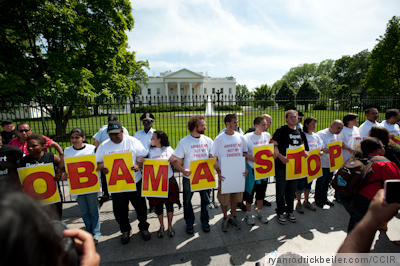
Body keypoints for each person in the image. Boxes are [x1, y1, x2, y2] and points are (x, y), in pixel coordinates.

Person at [0, 190, 100, 266]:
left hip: (89, 188)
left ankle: (95, 232)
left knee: (92, 210)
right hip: (78, 189)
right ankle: (89, 228)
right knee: (85, 211)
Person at [95, 120, 150, 244]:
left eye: (116, 133)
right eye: (111, 134)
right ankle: (125, 230)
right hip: (116, 184)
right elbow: (98, 162)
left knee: (140, 207)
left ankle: (144, 228)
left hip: (134, 181)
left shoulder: (132, 141)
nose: (113, 136)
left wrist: (139, 165)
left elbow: (143, 156)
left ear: (122, 131)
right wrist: (102, 167)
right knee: (120, 210)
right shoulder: (104, 146)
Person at [339, 137, 400, 233]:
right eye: (383, 146)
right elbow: (396, 185)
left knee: (355, 221)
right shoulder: (384, 164)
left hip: (346, 197)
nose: (384, 148)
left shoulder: (356, 158)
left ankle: (351, 242)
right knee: (364, 231)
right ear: (377, 150)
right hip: (365, 201)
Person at [170, 115, 214, 234]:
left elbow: (212, 156)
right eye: (203, 125)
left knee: (205, 200)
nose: (205, 127)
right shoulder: (184, 142)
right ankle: (189, 222)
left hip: (204, 176)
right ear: (195, 126)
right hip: (189, 178)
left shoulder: (208, 140)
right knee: (187, 201)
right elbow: (174, 160)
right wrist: (183, 170)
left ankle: (205, 221)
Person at [60, 128, 101, 245]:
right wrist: (63, 173)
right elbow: (62, 166)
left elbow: (99, 162)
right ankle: (88, 230)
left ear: (83, 138)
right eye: (72, 138)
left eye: (77, 137)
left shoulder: (92, 149)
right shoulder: (67, 151)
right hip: (76, 185)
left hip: (91, 185)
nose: (74, 140)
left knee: (93, 209)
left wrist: (99, 167)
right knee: (83, 210)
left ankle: (96, 232)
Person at [138, 131, 180, 238]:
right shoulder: (149, 151)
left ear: (159, 139)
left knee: (169, 205)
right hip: (155, 182)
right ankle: (161, 226)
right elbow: (142, 161)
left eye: (152, 138)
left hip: (168, 180)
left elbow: (178, 159)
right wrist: (141, 161)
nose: (150, 140)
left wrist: (174, 159)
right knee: (158, 206)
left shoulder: (168, 149)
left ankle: (170, 226)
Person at [211, 113, 248, 232]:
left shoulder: (240, 137)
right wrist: (218, 171)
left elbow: (244, 153)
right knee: (224, 198)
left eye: (237, 122)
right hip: (225, 173)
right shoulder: (219, 138)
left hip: (238, 172)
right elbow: (213, 156)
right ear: (227, 124)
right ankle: (225, 217)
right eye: (235, 122)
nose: (237, 124)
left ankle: (233, 216)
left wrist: (245, 167)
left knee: (235, 198)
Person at [271, 110, 309, 225]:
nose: (294, 119)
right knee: (280, 191)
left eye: (295, 117)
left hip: (295, 167)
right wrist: (280, 156)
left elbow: (304, 145)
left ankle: (290, 211)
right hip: (282, 166)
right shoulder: (281, 130)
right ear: (286, 119)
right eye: (291, 117)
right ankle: (280, 212)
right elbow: (273, 143)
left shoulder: (300, 132)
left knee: (291, 191)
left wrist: (305, 152)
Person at [337, 189, 400, 253]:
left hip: (356, 194)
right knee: (356, 221)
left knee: (354, 220)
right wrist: (373, 220)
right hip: (365, 197)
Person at [18, 134, 64, 219]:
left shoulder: (51, 157)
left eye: (34, 146)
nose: (30, 148)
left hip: (52, 196)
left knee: (55, 221)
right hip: (34, 198)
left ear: (43, 146)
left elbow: (63, 168)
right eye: (28, 146)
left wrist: (60, 173)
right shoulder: (23, 161)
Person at [92, 114, 129, 202]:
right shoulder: (103, 129)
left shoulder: (122, 129)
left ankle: (121, 189)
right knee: (106, 175)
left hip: (119, 155)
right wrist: (95, 151)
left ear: (118, 121)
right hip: (107, 156)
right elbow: (96, 141)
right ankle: (106, 193)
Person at [243, 116, 272, 225]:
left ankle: (260, 211)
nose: (266, 126)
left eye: (266, 124)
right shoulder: (247, 137)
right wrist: (249, 157)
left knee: (261, 191)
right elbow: (242, 152)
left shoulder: (267, 135)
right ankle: (248, 213)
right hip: (252, 168)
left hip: (263, 169)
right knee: (250, 191)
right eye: (263, 125)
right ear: (256, 126)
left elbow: (270, 147)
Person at [295, 117, 322, 213]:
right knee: (300, 184)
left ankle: (306, 201)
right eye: (312, 124)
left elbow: (320, 147)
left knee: (308, 183)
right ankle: (298, 203)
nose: (314, 126)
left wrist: (321, 152)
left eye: (315, 124)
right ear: (306, 124)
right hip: (303, 164)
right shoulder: (302, 135)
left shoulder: (316, 136)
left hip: (313, 164)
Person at [315, 120, 344, 207]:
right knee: (321, 182)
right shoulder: (321, 134)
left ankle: (325, 198)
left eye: (341, 128)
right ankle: (318, 199)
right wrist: (323, 148)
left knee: (328, 181)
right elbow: (317, 145)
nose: (339, 130)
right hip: (323, 162)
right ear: (331, 126)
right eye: (338, 128)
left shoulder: (336, 135)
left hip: (332, 163)